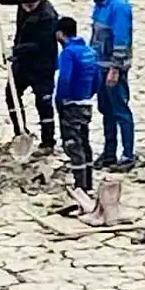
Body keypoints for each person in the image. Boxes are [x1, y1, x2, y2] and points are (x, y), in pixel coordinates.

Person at [0, 0, 60, 151]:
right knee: (11, 94)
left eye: (30, 6)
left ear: (38, 1)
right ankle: (20, 131)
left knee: (43, 102)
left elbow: (39, 45)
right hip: (23, 63)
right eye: (24, 5)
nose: (26, 9)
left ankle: (48, 142)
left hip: (42, 65)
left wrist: (14, 51)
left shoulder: (48, 17)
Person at [85, 0, 136, 171]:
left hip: (114, 69)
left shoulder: (118, 7)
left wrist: (115, 68)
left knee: (120, 110)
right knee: (106, 110)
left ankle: (127, 155)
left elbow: (121, 39)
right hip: (100, 67)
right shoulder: (100, 6)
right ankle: (109, 153)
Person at [54, 17, 101, 194]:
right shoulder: (89, 51)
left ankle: (80, 186)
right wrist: (89, 95)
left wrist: (60, 100)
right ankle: (88, 183)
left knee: (73, 145)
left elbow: (64, 79)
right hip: (86, 103)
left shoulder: (68, 53)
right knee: (85, 142)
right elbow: (98, 78)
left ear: (60, 34)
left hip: (71, 104)